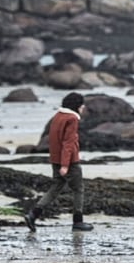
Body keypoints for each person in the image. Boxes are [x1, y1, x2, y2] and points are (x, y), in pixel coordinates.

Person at [24, 92, 93, 232]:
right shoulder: (72, 119)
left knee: (55, 188)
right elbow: (68, 143)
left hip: (55, 158)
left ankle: (33, 214)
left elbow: (54, 140)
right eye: (81, 104)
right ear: (76, 106)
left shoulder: (57, 116)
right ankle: (78, 222)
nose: (83, 107)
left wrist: (58, 162)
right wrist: (65, 165)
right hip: (69, 161)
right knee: (78, 189)